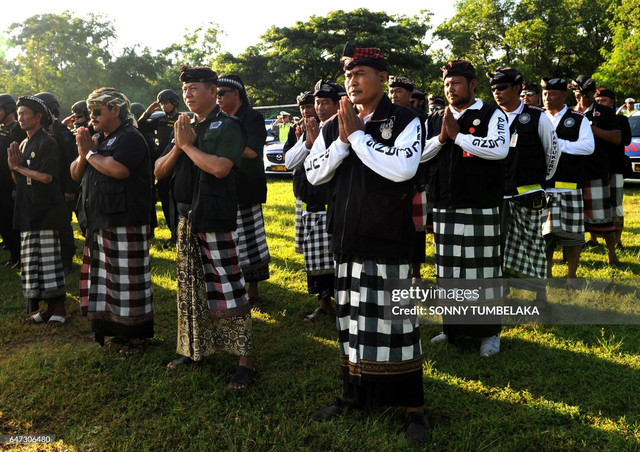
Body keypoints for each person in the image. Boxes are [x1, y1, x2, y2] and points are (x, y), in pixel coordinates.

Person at [305, 43, 430, 443]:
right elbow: (313, 175)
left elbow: (402, 168)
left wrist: (358, 139)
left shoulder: (406, 118)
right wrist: (341, 143)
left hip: (387, 239)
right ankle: (353, 395)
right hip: (345, 237)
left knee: (397, 326)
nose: (352, 81)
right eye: (348, 74)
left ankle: (414, 408)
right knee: (352, 325)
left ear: (382, 78)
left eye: (361, 73)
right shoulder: (335, 123)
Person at [161, 66, 255, 390]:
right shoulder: (184, 126)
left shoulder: (228, 125)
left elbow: (219, 168)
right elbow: (158, 172)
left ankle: (245, 361)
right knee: (191, 290)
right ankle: (193, 349)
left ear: (213, 91)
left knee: (228, 287)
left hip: (215, 217)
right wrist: (179, 143)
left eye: (194, 89)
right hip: (186, 219)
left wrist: (188, 147)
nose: (188, 95)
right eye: (185, 90)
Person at [422, 59, 509, 357]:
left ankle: (489, 333)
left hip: (481, 204)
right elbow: (419, 155)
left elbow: (499, 149)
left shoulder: (491, 113)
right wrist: (442, 137)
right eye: (447, 84)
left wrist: (459, 137)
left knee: (481, 272)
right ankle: (453, 329)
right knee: (449, 270)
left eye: (456, 83)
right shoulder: (435, 118)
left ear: (473, 85)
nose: (450, 89)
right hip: (445, 205)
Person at [71, 87, 154, 354]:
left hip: (125, 218)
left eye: (97, 112)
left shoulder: (130, 137)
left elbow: (119, 170)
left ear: (115, 111)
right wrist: (85, 153)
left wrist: (91, 154)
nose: (91, 117)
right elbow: (74, 174)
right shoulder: (100, 139)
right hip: (101, 219)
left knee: (128, 282)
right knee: (109, 283)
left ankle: (137, 337)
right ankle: (117, 331)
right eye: (90, 112)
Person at [488, 67, 559, 303]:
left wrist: (540, 181)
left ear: (517, 88)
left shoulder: (537, 116)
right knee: (498, 245)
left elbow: (553, 152)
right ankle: (503, 290)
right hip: (496, 194)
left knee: (532, 244)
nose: (497, 92)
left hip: (528, 193)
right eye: (493, 88)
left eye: (502, 87)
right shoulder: (489, 116)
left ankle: (540, 296)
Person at [285, 79, 345, 322]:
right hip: (313, 202)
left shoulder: (344, 126)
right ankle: (324, 304)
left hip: (337, 203)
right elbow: (289, 162)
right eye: (317, 102)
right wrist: (308, 144)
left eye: (324, 103)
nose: (319, 108)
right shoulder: (307, 128)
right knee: (316, 259)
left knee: (339, 261)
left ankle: (345, 308)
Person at [9, 96, 68, 325]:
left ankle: (60, 309)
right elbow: (19, 179)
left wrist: (19, 167)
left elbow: (46, 177)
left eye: (24, 113)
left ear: (39, 117)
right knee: (33, 260)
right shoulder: (24, 143)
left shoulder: (48, 142)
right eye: (19, 113)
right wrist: (13, 169)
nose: (20, 117)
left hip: (46, 211)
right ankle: (46, 309)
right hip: (27, 209)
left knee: (48, 260)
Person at [216, 74, 271, 308]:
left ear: (235, 94)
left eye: (220, 93)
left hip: (247, 187)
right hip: (222, 189)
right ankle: (231, 289)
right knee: (228, 242)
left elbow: (252, 152)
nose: (216, 98)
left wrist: (221, 145)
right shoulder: (218, 118)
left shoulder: (252, 117)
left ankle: (254, 292)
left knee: (251, 242)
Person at [541, 77, 594, 289]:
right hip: (541, 187)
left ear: (564, 95)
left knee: (573, 236)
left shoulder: (578, 119)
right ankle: (547, 275)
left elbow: (587, 147)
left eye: (552, 94)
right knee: (545, 237)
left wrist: (556, 145)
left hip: (568, 185)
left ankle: (572, 276)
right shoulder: (537, 117)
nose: (547, 97)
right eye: (545, 94)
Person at [570, 75, 622, 267]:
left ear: (593, 93)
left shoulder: (605, 112)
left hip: (596, 171)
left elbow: (617, 138)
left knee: (603, 217)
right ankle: (570, 257)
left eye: (586, 95)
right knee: (573, 219)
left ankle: (612, 255)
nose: (582, 100)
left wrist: (592, 129)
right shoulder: (569, 113)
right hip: (573, 172)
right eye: (578, 95)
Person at [389, 76, 429, 280]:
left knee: (417, 230)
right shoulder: (386, 115)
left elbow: (426, 152)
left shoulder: (421, 118)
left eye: (399, 91)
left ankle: (416, 273)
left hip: (416, 183)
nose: (394, 95)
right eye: (392, 91)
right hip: (392, 182)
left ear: (410, 94)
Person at [35, 92, 79, 273]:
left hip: (62, 187)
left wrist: (70, 188)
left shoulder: (61, 131)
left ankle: (67, 260)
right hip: (46, 188)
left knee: (63, 224)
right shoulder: (41, 131)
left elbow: (70, 160)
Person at [138, 89, 182, 248]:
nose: (163, 106)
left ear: (175, 102)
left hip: (177, 164)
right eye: (161, 103)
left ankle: (179, 235)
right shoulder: (160, 120)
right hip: (161, 165)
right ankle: (172, 234)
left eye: (166, 102)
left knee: (176, 202)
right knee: (165, 201)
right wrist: (147, 112)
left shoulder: (183, 119)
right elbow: (140, 127)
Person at [595, 87, 632, 249]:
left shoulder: (621, 120)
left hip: (615, 167)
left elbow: (625, 140)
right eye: (598, 100)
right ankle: (593, 238)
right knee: (595, 204)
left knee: (616, 204)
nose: (600, 103)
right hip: (595, 167)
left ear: (612, 102)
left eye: (604, 100)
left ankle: (617, 240)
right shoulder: (592, 118)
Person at [283, 91, 317, 255]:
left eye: (309, 107)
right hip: (301, 181)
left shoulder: (324, 125)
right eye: (302, 108)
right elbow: (287, 157)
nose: (306, 111)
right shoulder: (295, 128)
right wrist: (300, 144)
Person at [0, 94, 26, 268]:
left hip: (11, 184)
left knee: (13, 221)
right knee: (3, 220)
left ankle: (20, 257)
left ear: (8, 110)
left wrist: (17, 186)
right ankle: (13, 254)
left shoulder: (17, 129)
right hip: (1, 183)